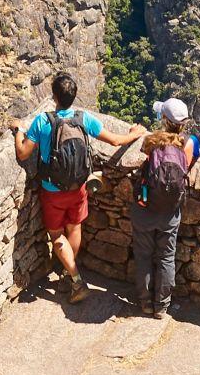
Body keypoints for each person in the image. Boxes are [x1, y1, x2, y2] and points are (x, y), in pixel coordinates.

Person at [15, 72, 140, 302]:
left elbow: (23, 153)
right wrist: (136, 133)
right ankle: (67, 272)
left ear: (54, 96)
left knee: (56, 235)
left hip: (52, 191)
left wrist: (20, 131)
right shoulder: (84, 119)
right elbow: (114, 141)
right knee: (74, 229)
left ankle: (75, 279)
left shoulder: (43, 121)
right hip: (79, 187)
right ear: (74, 96)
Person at [127, 97, 200, 317]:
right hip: (171, 208)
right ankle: (161, 306)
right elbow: (191, 162)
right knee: (166, 257)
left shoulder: (152, 141)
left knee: (143, 255)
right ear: (183, 123)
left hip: (146, 205)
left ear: (163, 118)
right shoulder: (191, 143)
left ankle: (145, 302)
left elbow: (146, 160)